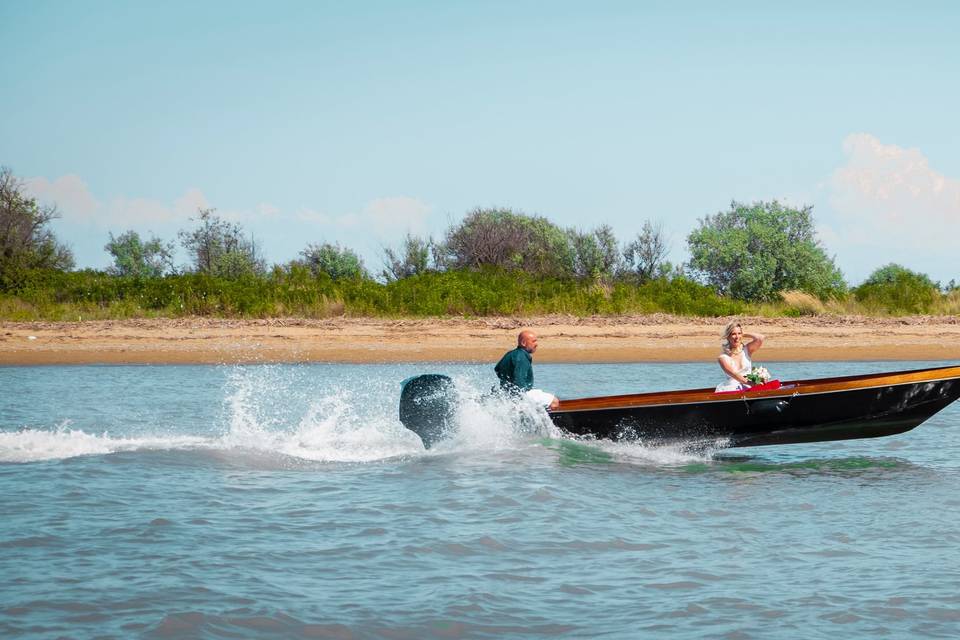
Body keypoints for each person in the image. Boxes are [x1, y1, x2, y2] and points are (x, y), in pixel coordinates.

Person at [495, 330, 560, 410]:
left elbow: (497, 369)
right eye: (533, 341)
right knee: (554, 402)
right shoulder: (521, 357)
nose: (536, 344)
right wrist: (520, 397)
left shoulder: (510, 354)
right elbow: (519, 379)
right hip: (520, 394)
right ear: (523, 343)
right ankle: (542, 419)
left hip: (508, 393)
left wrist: (507, 383)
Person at [715, 321, 765, 392]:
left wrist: (743, 333)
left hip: (749, 386)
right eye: (733, 334)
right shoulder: (722, 358)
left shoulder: (747, 350)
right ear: (728, 337)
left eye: (739, 333)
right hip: (732, 388)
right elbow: (734, 374)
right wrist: (751, 383)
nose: (737, 337)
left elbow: (760, 338)